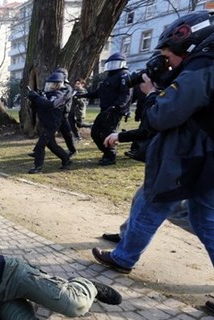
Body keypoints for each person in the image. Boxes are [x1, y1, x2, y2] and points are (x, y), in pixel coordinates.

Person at [91, 11, 214, 280]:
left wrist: (150, 94)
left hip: (191, 159)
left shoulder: (203, 65)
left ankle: (123, 257)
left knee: (163, 207)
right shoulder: (203, 65)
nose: (166, 64)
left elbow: (162, 116)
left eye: (168, 58)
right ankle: (124, 255)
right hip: (197, 158)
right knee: (196, 217)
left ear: (187, 42)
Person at [77, 52, 132, 166]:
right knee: (95, 132)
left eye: (114, 64)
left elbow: (126, 95)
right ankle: (107, 152)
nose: (112, 66)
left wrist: (116, 107)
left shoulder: (124, 76)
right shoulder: (109, 77)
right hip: (105, 110)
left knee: (108, 133)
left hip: (114, 111)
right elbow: (99, 93)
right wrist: (83, 95)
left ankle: (110, 155)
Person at [26, 72, 72, 174]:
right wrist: (33, 99)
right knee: (52, 145)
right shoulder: (47, 94)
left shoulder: (59, 94)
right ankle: (66, 160)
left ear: (57, 85)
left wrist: (37, 97)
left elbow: (50, 105)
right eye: (48, 84)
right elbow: (37, 107)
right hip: (46, 123)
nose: (49, 86)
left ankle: (38, 167)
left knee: (40, 146)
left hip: (52, 124)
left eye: (52, 84)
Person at [53, 68, 77, 157]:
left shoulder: (67, 87)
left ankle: (73, 150)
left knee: (67, 134)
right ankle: (38, 151)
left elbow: (62, 99)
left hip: (63, 114)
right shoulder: (56, 86)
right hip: (55, 114)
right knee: (47, 133)